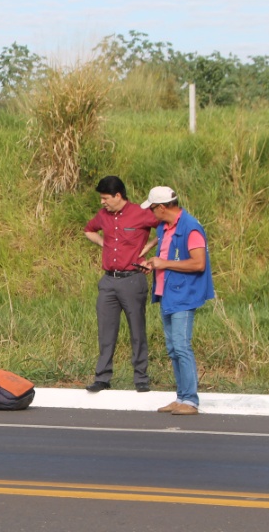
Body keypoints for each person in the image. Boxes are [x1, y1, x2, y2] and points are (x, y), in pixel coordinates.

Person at [141, 186, 214, 416]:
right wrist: (152, 262)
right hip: (167, 293)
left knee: (182, 347)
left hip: (184, 295)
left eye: (152, 208)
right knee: (173, 349)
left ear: (162, 207)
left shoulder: (191, 227)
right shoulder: (165, 227)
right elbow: (165, 252)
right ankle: (181, 396)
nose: (151, 213)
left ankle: (190, 401)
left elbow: (198, 263)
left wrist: (165, 264)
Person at [83, 176, 159, 393]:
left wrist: (149, 248)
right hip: (108, 281)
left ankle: (141, 377)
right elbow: (89, 230)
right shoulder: (103, 215)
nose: (102, 202)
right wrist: (103, 243)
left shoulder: (140, 213)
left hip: (132, 279)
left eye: (105, 198)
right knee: (106, 331)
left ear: (118, 196)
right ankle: (102, 377)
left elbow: (166, 229)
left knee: (137, 329)